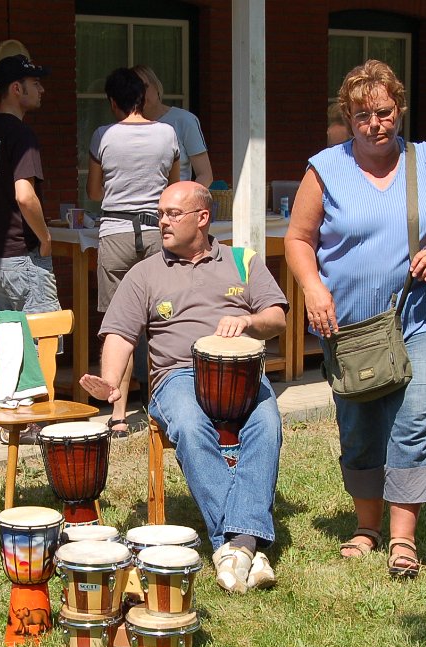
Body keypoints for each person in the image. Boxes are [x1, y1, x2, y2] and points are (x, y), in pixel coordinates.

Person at [285, 59, 426, 578]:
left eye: (385, 112)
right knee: (360, 424)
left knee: (415, 418)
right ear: (348, 115)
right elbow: (298, 239)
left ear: (400, 108)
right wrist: (313, 288)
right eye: (363, 115)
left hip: (423, 314)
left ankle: (403, 539)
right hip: (349, 323)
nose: (376, 124)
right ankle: (367, 526)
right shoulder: (324, 169)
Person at [79, 181, 287, 595]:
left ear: (203, 218)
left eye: (173, 214)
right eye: (160, 214)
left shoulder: (243, 261)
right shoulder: (145, 272)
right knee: (192, 426)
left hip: (243, 373)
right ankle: (247, 542)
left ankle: (235, 547)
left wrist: (247, 321)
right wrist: (109, 382)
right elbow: (120, 333)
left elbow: (277, 318)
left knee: (267, 421)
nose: (163, 222)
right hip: (176, 375)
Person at [87, 67, 180, 437]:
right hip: (158, 233)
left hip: (116, 233)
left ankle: (118, 416)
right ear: (144, 97)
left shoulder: (102, 136)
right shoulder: (167, 133)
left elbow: (95, 192)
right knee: (164, 320)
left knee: (116, 327)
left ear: (113, 101)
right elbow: (175, 187)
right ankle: (162, 404)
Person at [0, 55, 59, 316]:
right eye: (35, 83)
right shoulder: (22, 134)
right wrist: (45, 238)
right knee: (41, 344)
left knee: (9, 345)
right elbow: (24, 195)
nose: (42, 89)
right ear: (16, 88)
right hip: (23, 255)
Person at [132, 65, 213, 187]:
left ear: (157, 87)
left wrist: (185, 201)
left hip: (175, 202)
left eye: (145, 87)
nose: (140, 94)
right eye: (133, 90)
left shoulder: (184, 121)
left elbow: (205, 175)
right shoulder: (125, 126)